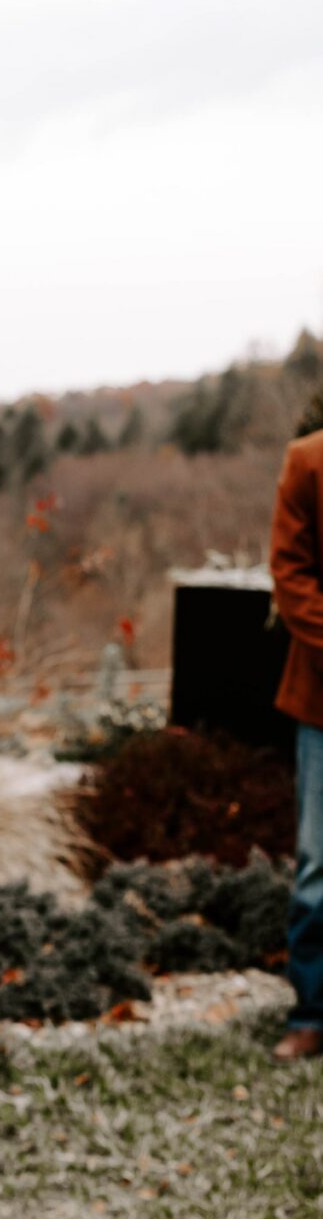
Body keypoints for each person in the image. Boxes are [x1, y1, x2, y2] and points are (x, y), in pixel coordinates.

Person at [269, 395, 323, 1062]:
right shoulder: (306, 461)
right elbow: (289, 575)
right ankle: (312, 1013)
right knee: (318, 867)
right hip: (321, 704)